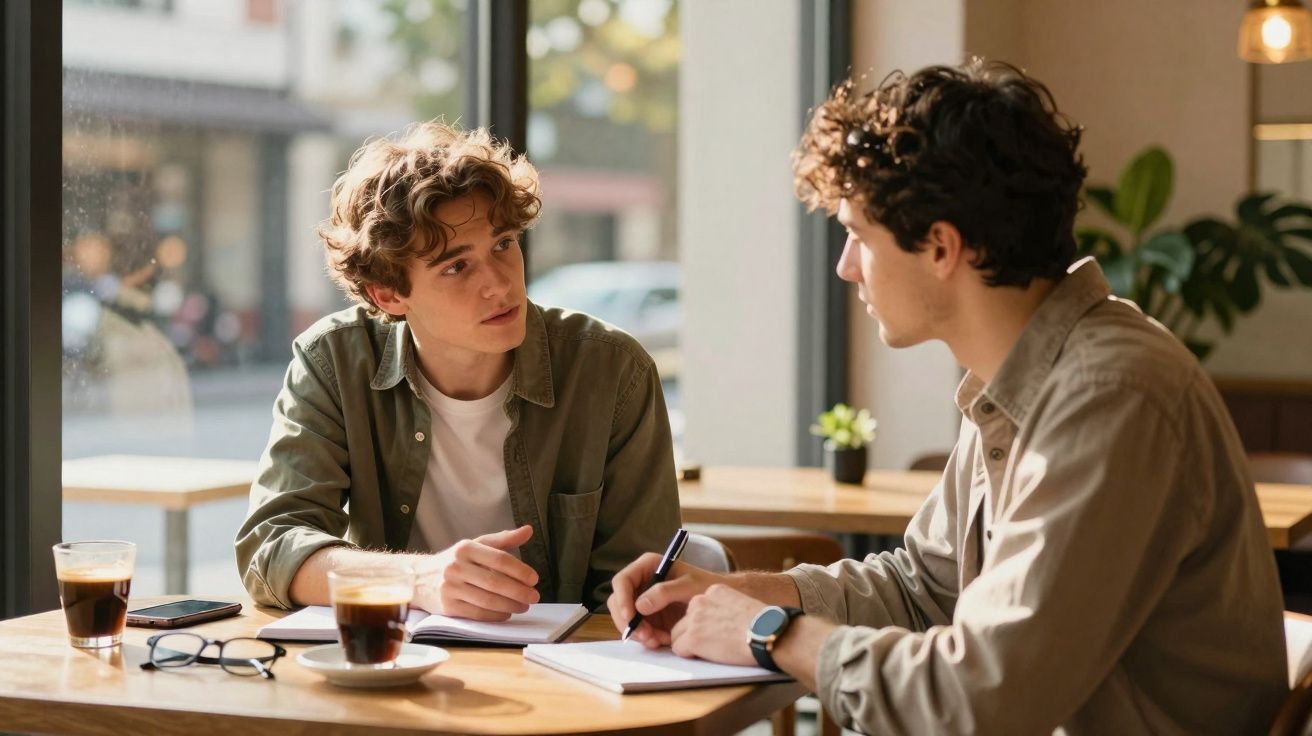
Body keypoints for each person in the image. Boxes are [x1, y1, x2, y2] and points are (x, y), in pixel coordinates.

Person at [607, 60, 1287, 734]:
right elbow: (925, 588)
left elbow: (982, 698)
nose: (845, 267)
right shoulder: (1021, 379)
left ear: (940, 247)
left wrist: (771, 632)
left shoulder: (1110, 397)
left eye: (858, 235)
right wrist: (745, 595)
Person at [235, 122, 680, 620]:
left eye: (503, 244)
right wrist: (418, 580)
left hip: (561, 661)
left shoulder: (612, 371)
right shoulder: (334, 362)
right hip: (398, 654)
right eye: (456, 267)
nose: (499, 284)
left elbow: (641, 591)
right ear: (389, 294)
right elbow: (270, 549)